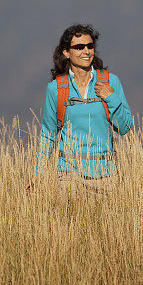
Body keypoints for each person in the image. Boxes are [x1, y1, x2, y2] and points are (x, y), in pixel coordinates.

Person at [26, 23, 133, 197]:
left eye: (90, 46)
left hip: (106, 177)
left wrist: (111, 98)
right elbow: (48, 134)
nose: (86, 51)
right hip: (69, 177)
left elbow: (125, 127)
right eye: (79, 47)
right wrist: (39, 174)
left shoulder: (110, 82)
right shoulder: (56, 89)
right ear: (66, 52)